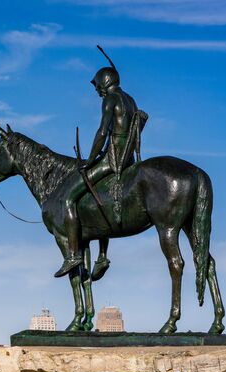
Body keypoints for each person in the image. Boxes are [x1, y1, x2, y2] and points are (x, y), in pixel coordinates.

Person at [55, 48, 147, 278]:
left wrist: (90, 160)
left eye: (97, 86)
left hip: (113, 159)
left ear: (105, 82)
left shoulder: (111, 99)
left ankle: (74, 254)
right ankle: (102, 255)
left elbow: (102, 133)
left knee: (68, 198)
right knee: (98, 199)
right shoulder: (130, 99)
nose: (97, 90)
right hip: (129, 159)